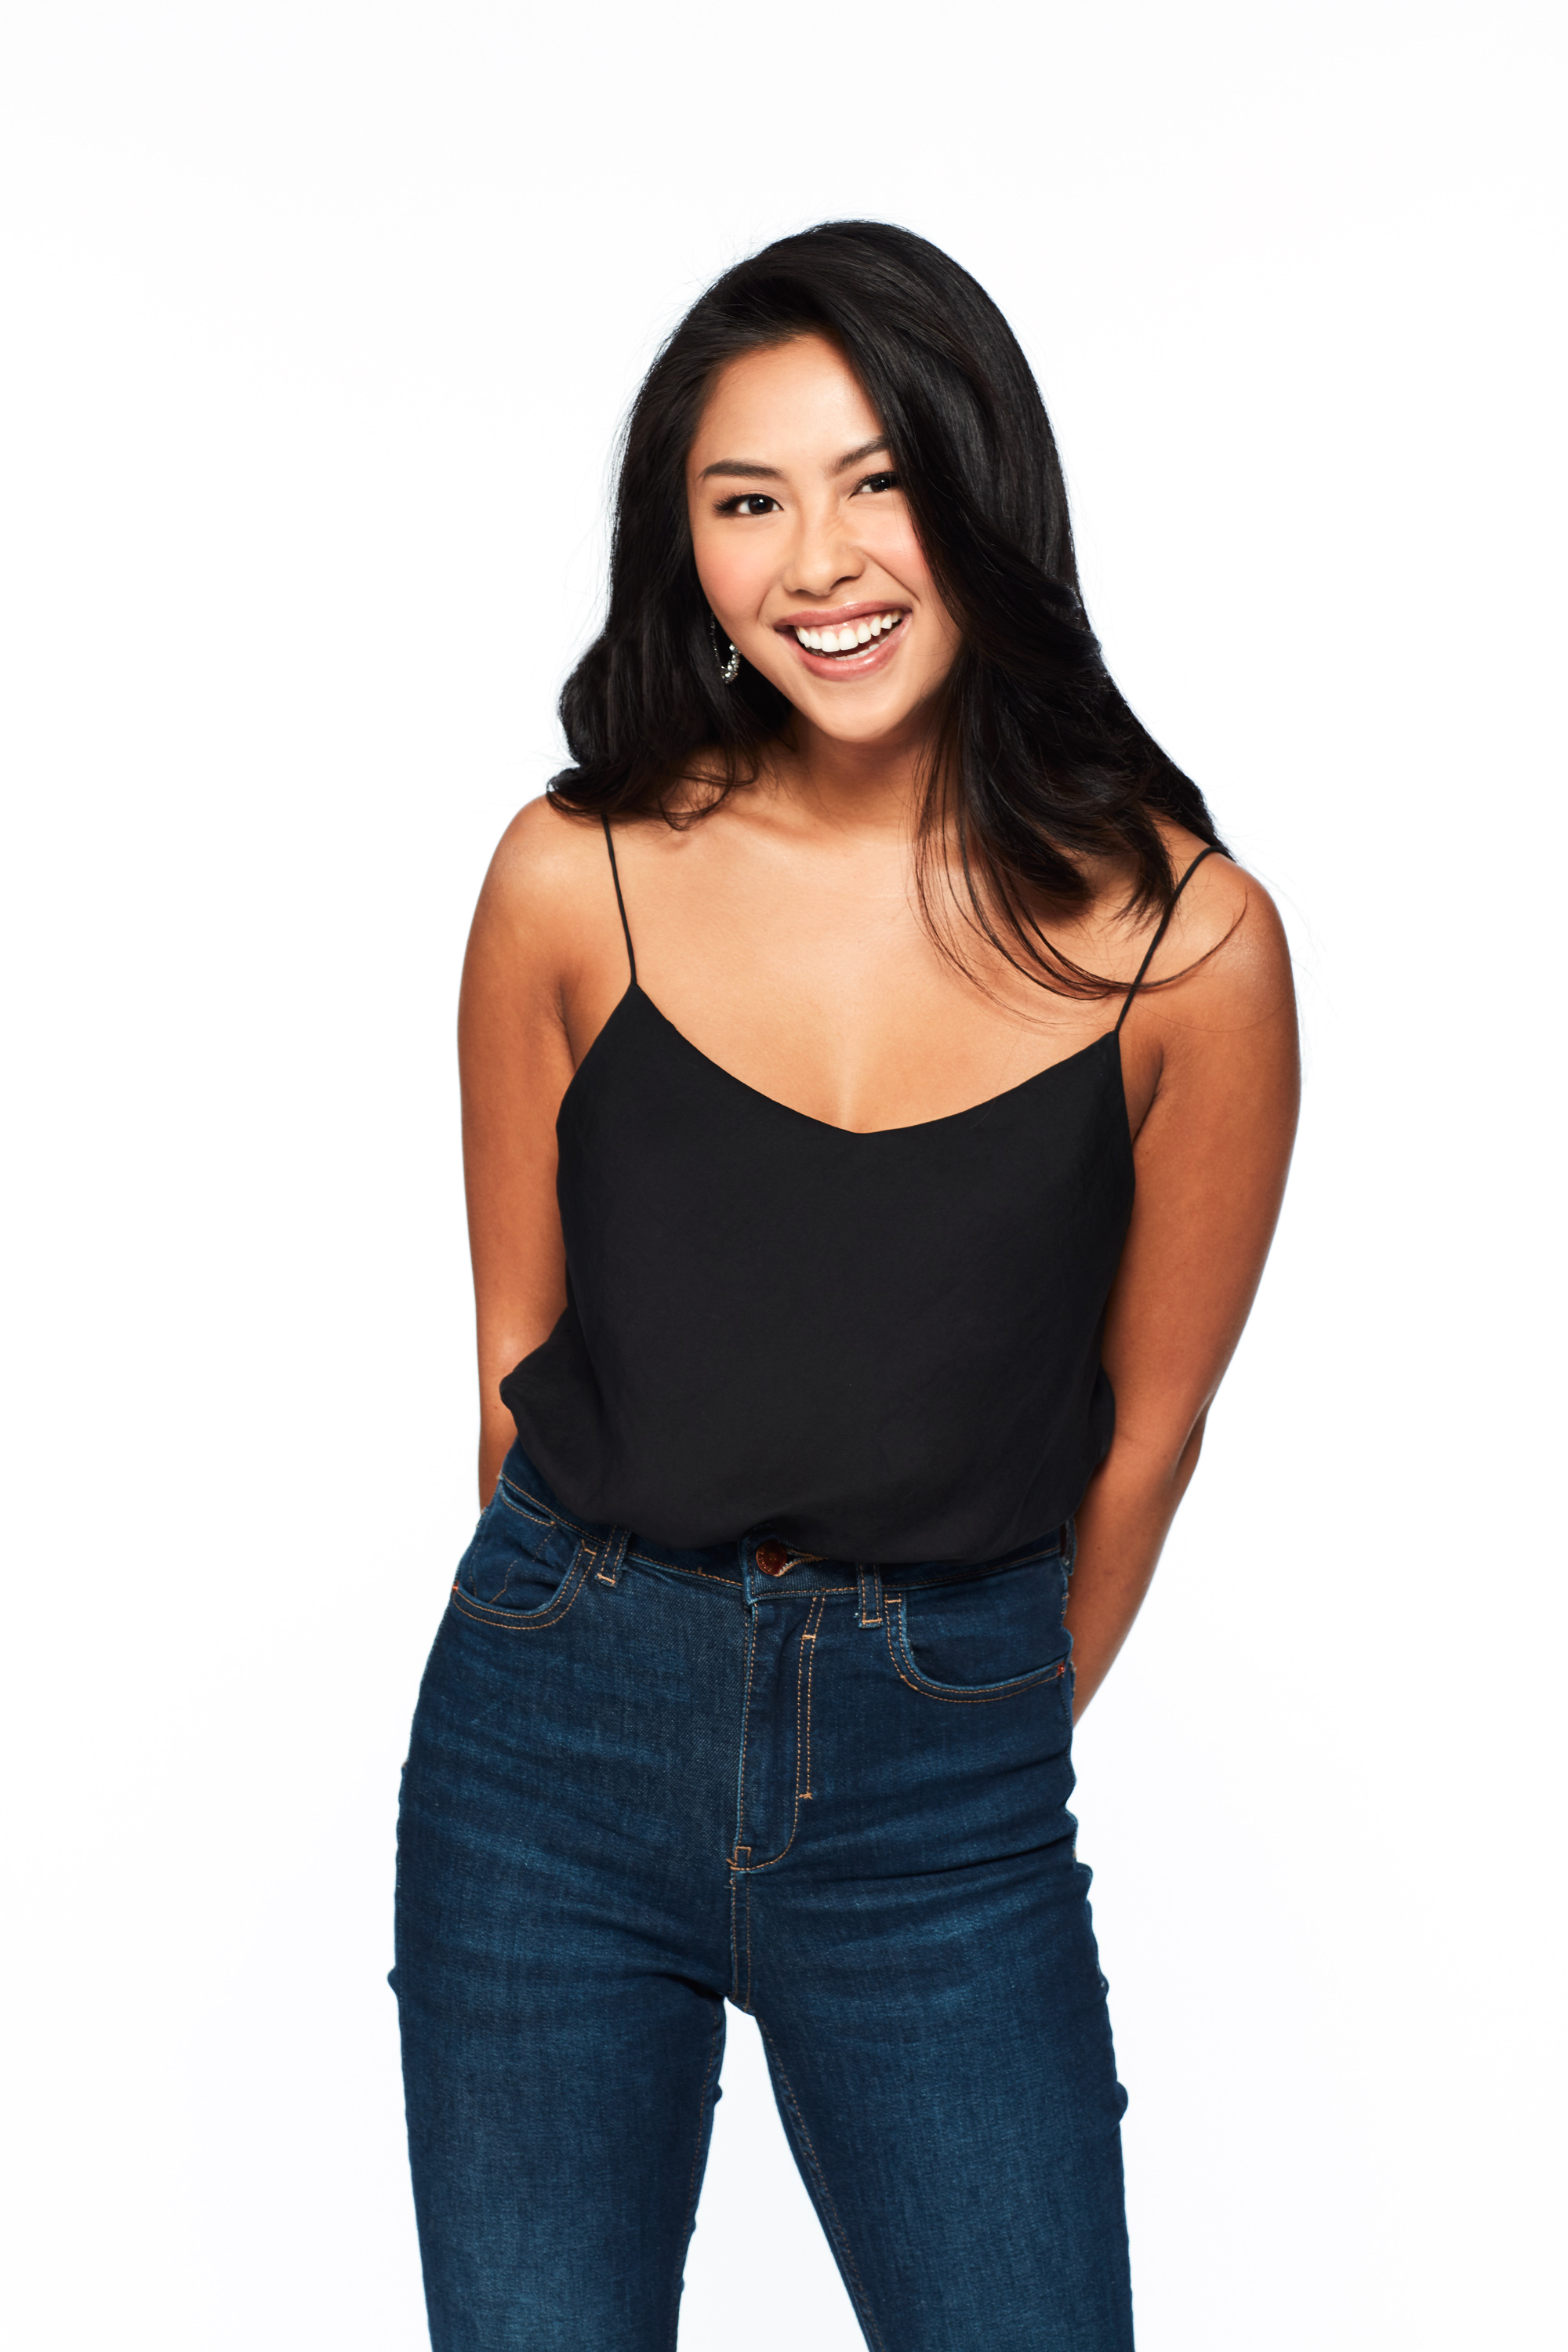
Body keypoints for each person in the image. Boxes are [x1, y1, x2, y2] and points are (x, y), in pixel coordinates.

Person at [392, 220, 1298, 2352]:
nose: (820, 561)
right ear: (685, 550)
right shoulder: (571, 880)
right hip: (548, 1753)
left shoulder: (1191, 950)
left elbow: (1150, 1432)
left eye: (877, 480)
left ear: (981, 487)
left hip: (940, 1794)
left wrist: (950, 1719)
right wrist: (613, 1648)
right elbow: (516, 1363)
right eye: (747, 501)